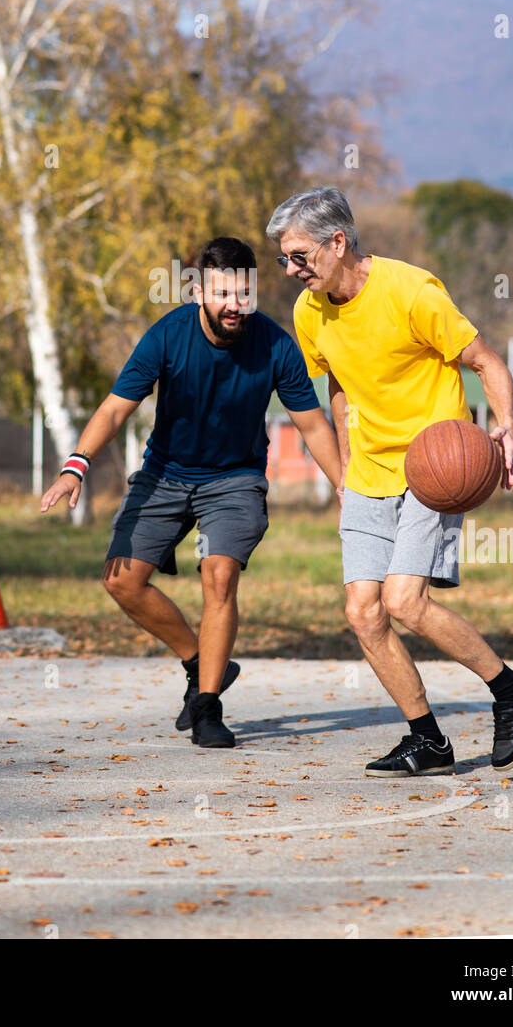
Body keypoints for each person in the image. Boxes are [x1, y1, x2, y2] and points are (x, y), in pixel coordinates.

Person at [266, 187, 513, 775]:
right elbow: (338, 385)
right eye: (283, 259)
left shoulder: (411, 292)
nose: (291, 270)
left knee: (404, 601)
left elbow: (486, 363)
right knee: (363, 613)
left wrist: (507, 428)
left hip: (434, 466)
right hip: (369, 470)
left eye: (299, 256)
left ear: (337, 242)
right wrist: (345, 469)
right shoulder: (308, 312)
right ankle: (428, 739)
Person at [41, 236, 343, 749]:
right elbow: (117, 408)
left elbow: (312, 425)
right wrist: (76, 465)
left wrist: (345, 486)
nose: (233, 305)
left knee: (219, 575)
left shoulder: (274, 344)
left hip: (235, 478)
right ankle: (203, 661)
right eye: (222, 293)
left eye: (242, 294)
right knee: (122, 581)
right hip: (166, 472)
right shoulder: (167, 337)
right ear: (200, 291)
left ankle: (206, 707)